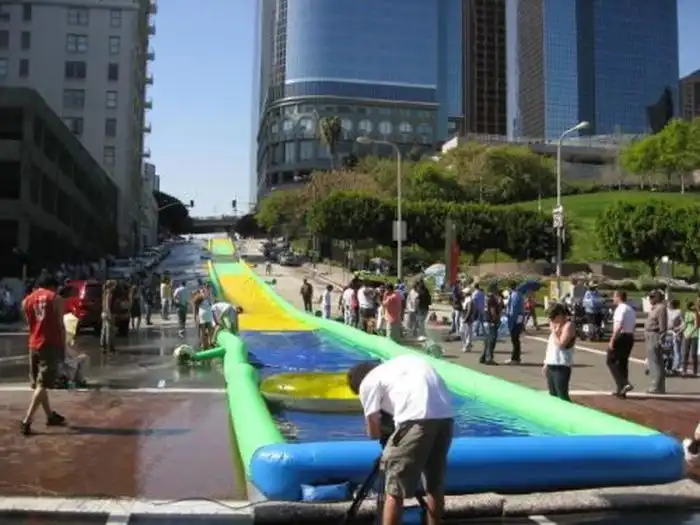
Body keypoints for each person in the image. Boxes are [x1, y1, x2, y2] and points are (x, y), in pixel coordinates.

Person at [346, 356, 453, 525]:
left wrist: (387, 435)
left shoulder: (367, 383)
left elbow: (373, 432)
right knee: (434, 486)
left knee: (394, 490)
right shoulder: (396, 367)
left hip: (415, 420)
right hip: (445, 418)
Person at [20, 275, 67, 436]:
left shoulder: (26, 301)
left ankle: (50, 416)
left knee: (40, 384)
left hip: (34, 344)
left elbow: (30, 325)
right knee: (43, 384)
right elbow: (61, 325)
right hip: (50, 344)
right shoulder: (56, 299)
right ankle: (27, 420)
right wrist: (63, 347)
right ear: (51, 286)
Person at [543, 302, 575, 402]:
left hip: (561, 365)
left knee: (562, 394)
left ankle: (569, 411)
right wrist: (546, 363)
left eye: (553, 317)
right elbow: (550, 346)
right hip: (551, 363)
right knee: (553, 394)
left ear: (560, 314)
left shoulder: (568, 325)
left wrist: (554, 332)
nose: (551, 320)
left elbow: (561, 344)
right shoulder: (555, 325)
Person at [607, 290, 636, 397]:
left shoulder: (620, 309)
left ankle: (624, 383)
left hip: (621, 335)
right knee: (623, 362)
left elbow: (618, 325)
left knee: (611, 360)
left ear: (619, 297)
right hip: (629, 336)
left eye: (614, 297)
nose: (613, 299)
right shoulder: (630, 309)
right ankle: (621, 390)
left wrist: (612, 339)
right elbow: (634, 325)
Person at [644, 290, 667, 394]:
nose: (650, 299)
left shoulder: (661, 308)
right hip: (649, 335)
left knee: (655, 362)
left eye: (653, 297)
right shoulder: (654, 308)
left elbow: (663, 326)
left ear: (658, 297)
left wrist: (660, 339)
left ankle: (657, 386)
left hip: (654, 335)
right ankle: (658, 385)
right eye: (650, 297)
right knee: (653, 361)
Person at [479, 284, 501, 365]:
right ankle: (489, 358)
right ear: (494, 290)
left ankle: (483, 357)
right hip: (491, 321)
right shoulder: (492, 299)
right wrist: (496, 320)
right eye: (496, 289)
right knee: (492, 340)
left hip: (485, 320)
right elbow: (492, 311)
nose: (497, 290)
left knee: (487, 340)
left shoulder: (486, 298)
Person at [505, 284, 524, 365]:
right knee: (516, 339)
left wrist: (511, 321)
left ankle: (515, 358)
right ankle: (516, 357)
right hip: (518, 319)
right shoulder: (518, 294)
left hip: (515, 320)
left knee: (514, 339)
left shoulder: (514, 295)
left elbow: (514, 310)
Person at [667, 298, 684, 375]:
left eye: (669, 303)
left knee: (676, 350)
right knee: (668, 351)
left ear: (673, 304)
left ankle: (675, 368)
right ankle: (669, 366)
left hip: (676, 334)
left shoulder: (678, 312)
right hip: (667, 333)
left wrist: (677, 329)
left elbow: (683, 324)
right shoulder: (666, 311)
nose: (668, 304)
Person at [682, 302, 699, 376]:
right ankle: (684, 370)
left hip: (694, 335)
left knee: (693, 354)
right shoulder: (687, 313)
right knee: (685, 353)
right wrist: (678, 331)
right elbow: (685, 325)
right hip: (686, 335)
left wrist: (690, 334)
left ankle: (695, 371)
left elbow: (696, 325)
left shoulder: (695, 314)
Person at [100, 280, 117, 352]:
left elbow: (104, 304)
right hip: (108, 313)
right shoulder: (109, 293)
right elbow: (108, 305)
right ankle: (110, 346)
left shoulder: (104, 292)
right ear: (111, 286)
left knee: (104, 330)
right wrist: (109, 314)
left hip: (104, 313)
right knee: (109, 331)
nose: (115, 287)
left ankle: (103, 346)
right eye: (114, 285)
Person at [459, 287, 475, 353]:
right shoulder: (466, 299)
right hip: (463, 317)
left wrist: (466, 318)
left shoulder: (470, 300)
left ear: (466, 293)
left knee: (467, 333)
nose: (463, 293)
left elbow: (469, 310)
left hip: (467, 318)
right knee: (462, 331)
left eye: (464, 293)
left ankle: (467, 346)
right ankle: (466, 345)